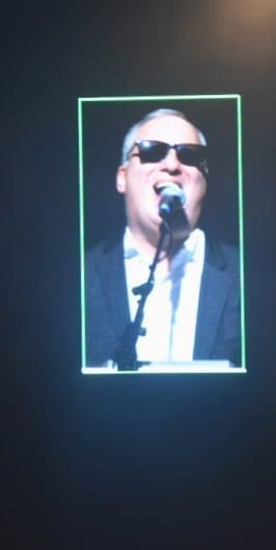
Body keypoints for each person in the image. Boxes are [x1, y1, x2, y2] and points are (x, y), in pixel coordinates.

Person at [83, 108, 242, 369]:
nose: (171, 165)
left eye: (189, 155)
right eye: (152, 151)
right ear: (122, 178)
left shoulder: (247, 276)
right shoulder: (80, 276)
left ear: (205, 182)